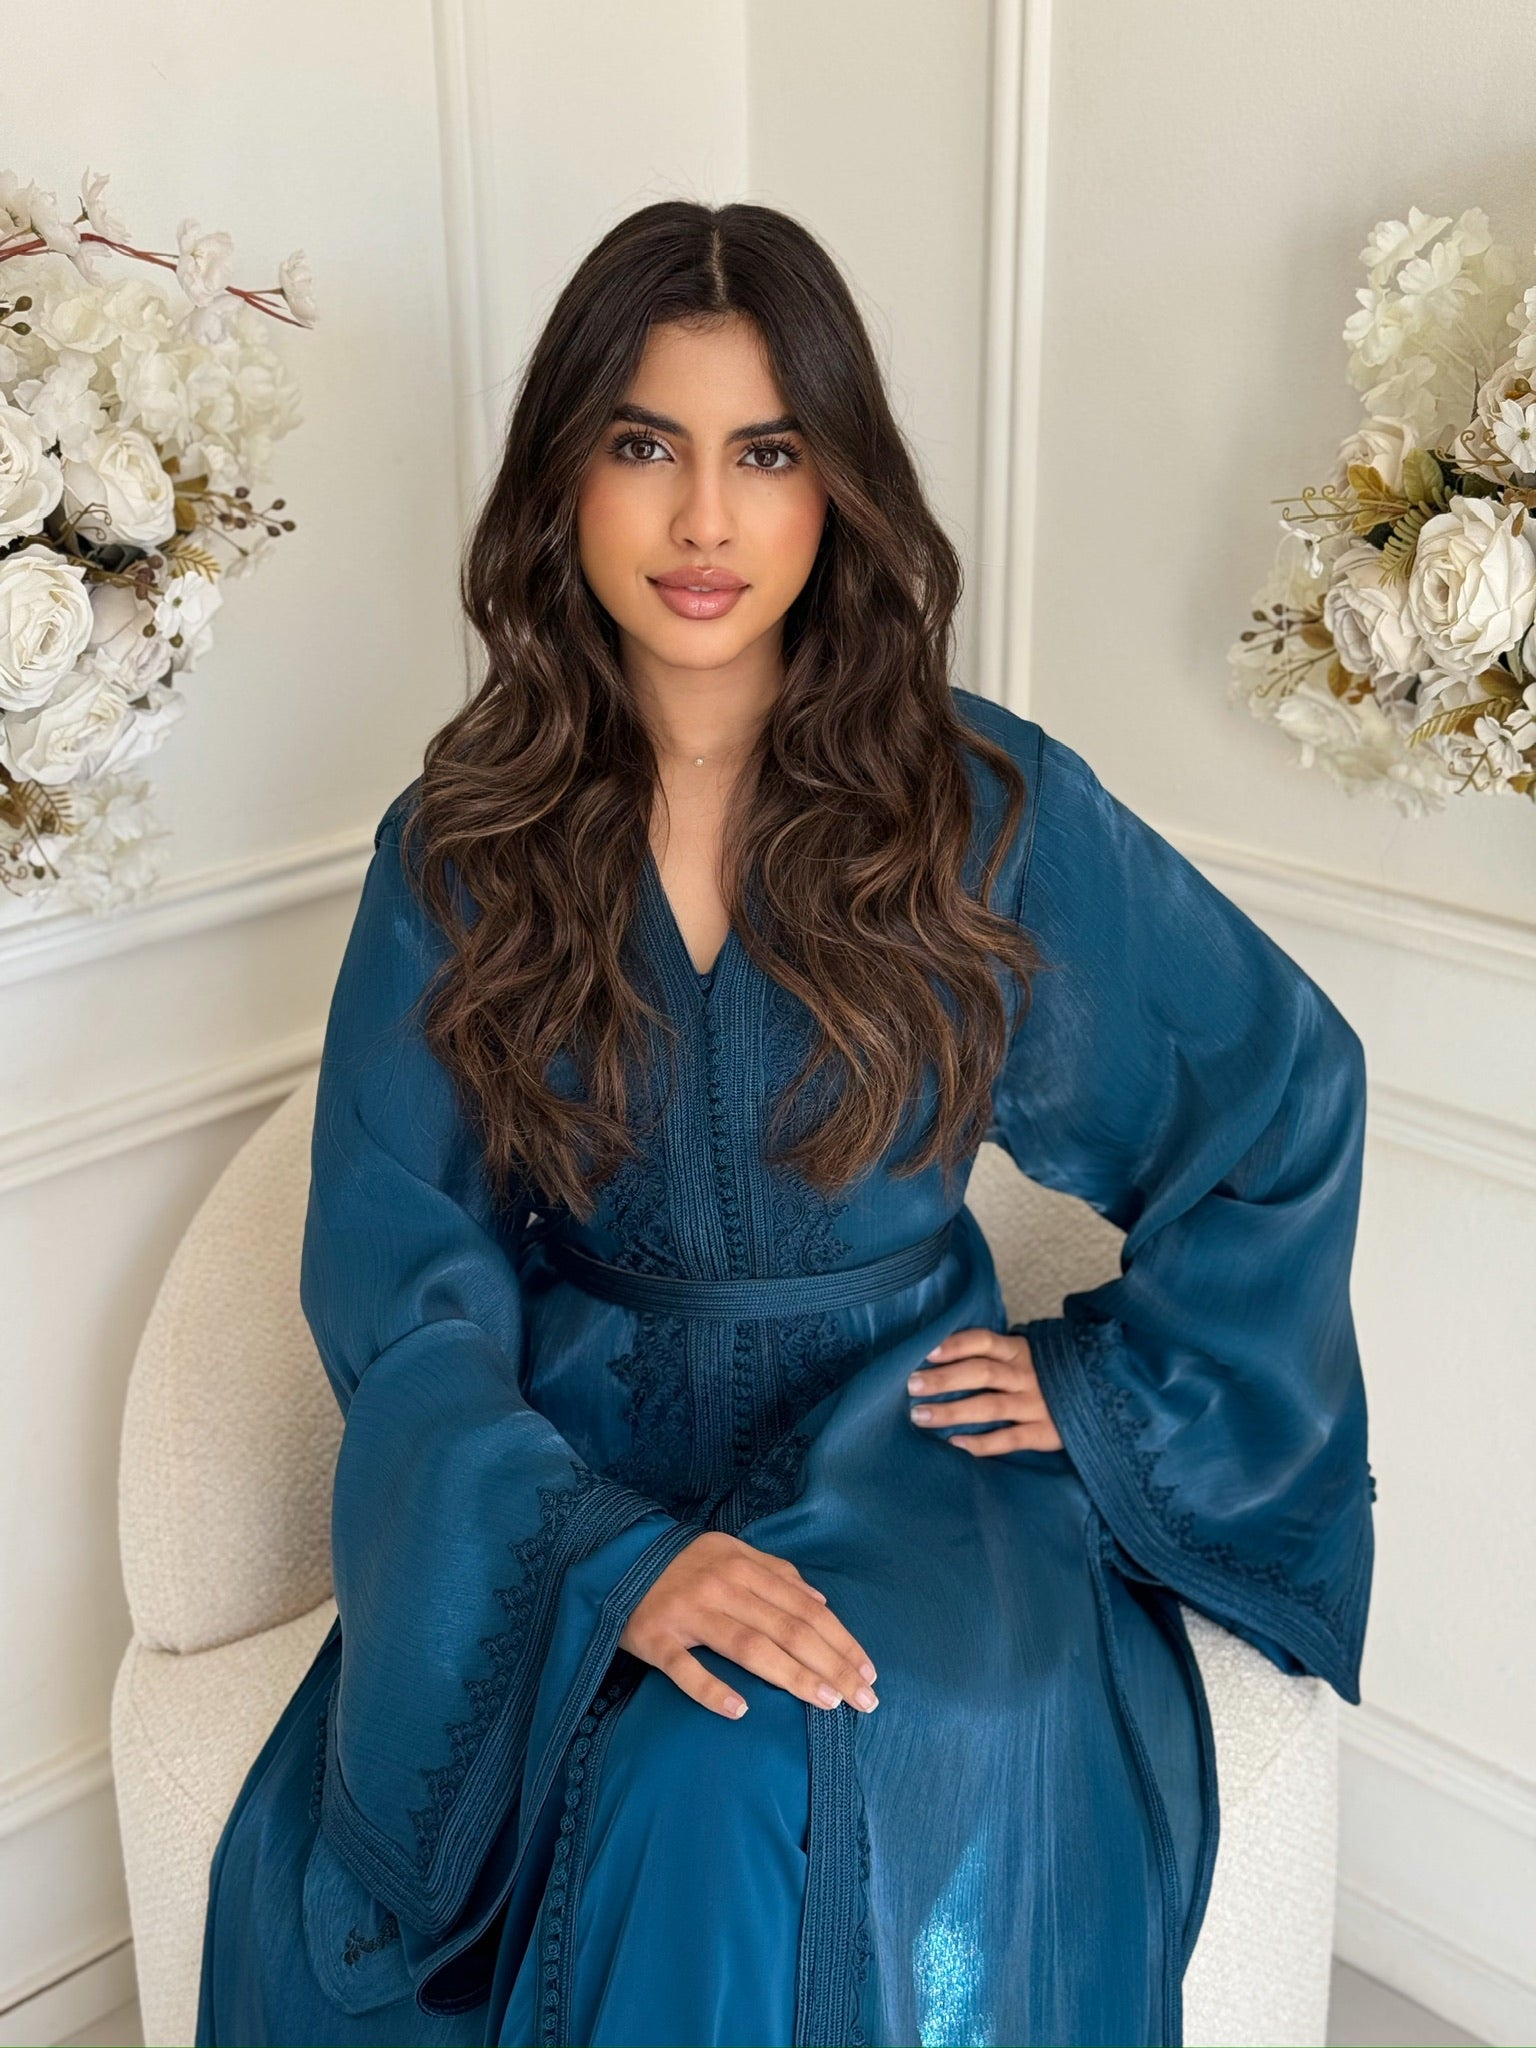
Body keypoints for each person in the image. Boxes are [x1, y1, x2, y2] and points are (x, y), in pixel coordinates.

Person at [195, 199, 1374, 2048]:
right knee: (521, 1825)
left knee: (722, 1771)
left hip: (915, 1460)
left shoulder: (983, 807)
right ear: (562, 479)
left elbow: (1285, 1088)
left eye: (768, 452)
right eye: (643, 444)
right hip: (575, 1452)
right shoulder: (465, 844)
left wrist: (1114, 1390)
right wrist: (599, 1556)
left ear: (838, 490)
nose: (703, 523)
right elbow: (398, 1277)